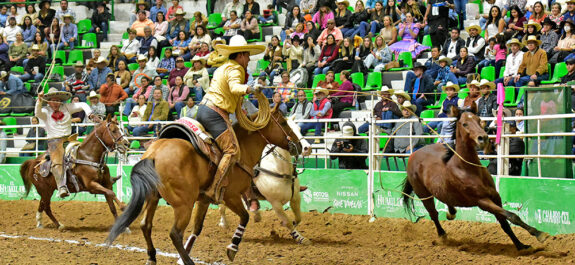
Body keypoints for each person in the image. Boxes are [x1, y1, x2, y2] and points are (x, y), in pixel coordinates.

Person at [195, 35, 265, 204]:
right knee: (232, 151)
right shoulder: (236, 69)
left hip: (204, 109)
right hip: (216, 113)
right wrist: (250, 88)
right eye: (247, 55)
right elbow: (234, 87)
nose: (248, 59)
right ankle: (213, 190)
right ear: (240, 55)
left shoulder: (223, 67)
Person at [35, 88, 95, 198]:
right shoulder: (45, 111)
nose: (55, 103)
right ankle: (61, 187)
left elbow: (82, 104)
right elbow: (37, 113)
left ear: (61, 101)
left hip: (70, 139)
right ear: (48, 101)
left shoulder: (66, 107)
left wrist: (90, 114)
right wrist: (39, 100)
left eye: (57, 100)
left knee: (85, 152)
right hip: (54, 142)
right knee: (57, 162)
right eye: (53, 100)